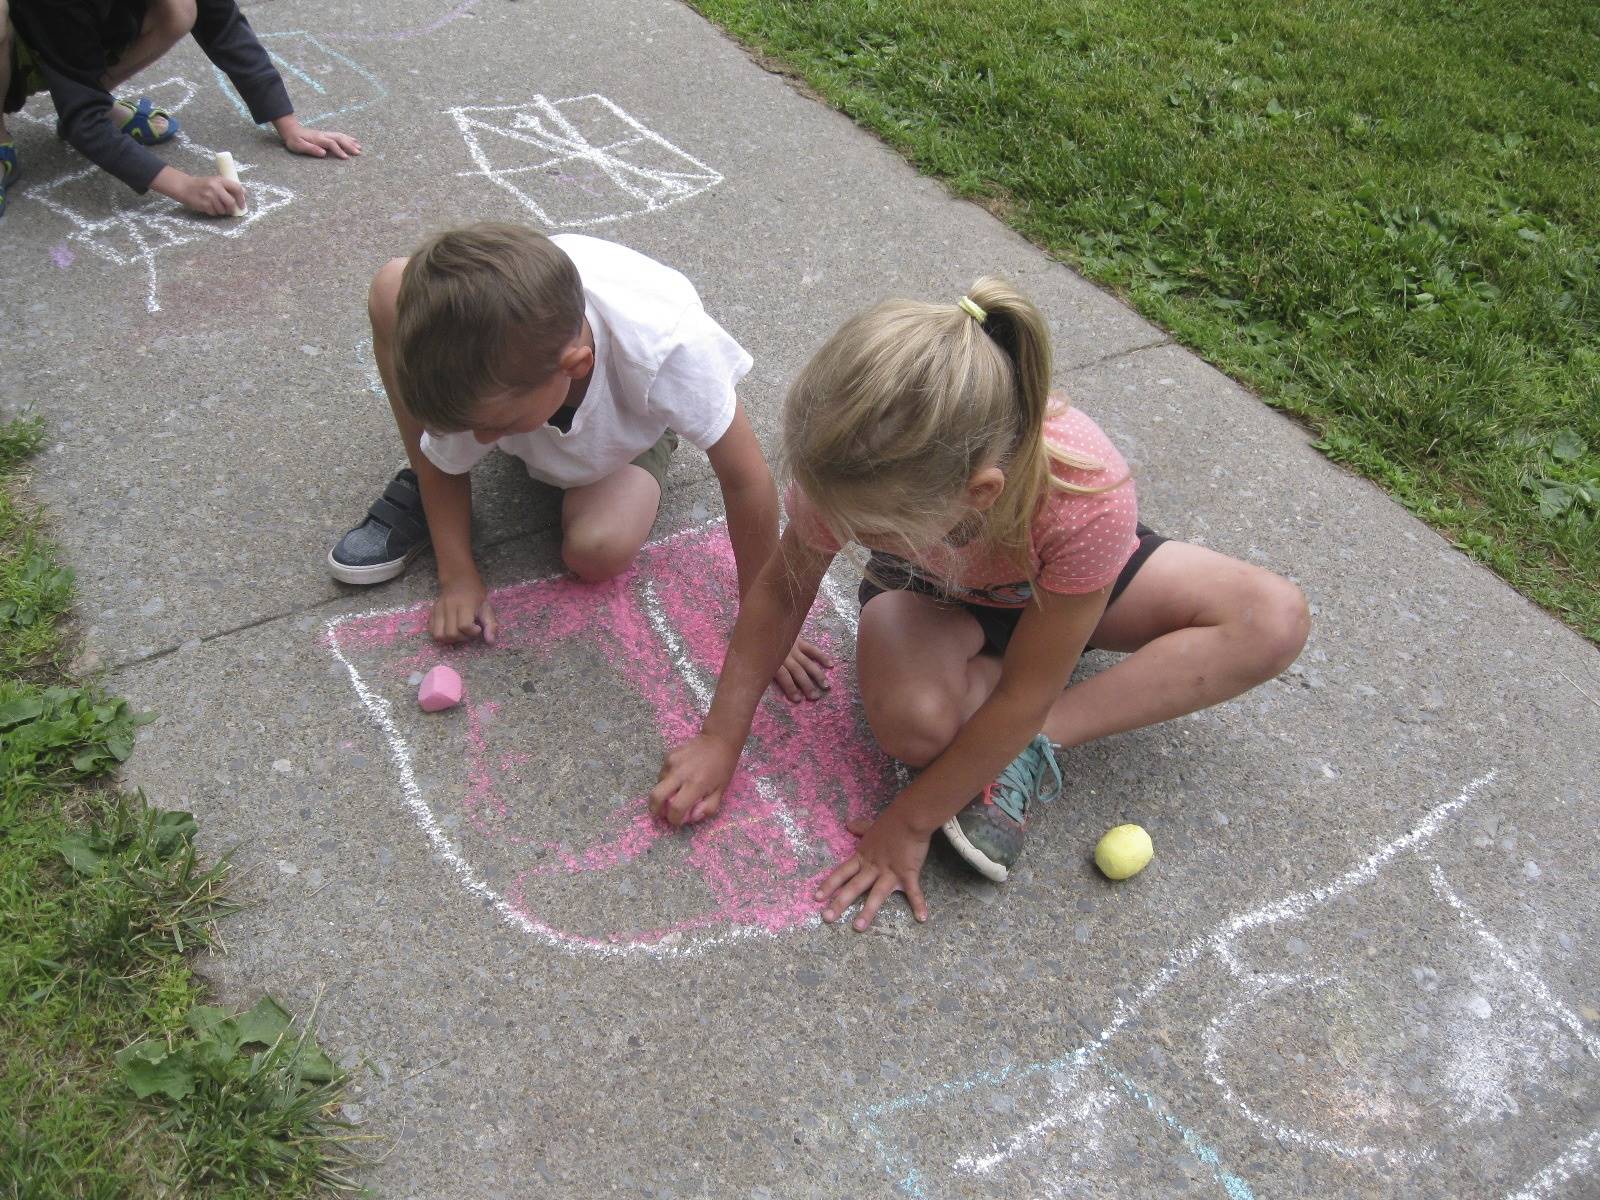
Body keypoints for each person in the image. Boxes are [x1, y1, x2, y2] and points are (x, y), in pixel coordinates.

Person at [651, 277, 1310, 931]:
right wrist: (720, 737)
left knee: (1270, 621)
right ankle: (994, 726)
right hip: (931, 597)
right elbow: (780, 592)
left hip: (1059, 595)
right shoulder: (853, 465)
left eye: (868, 529)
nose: (847, 533)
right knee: (914, 726)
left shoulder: (1086, 495)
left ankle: (1032, 742)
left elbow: (1025, 693)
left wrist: (911, 819)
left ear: (980, 492)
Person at [331, 223, 832, 698]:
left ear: (575, 366)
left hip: (624, 424)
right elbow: (445, 454)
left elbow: (748, 481)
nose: (479, 440)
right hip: (525, 380)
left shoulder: (668, 350)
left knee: (599, 552)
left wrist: (764, 620)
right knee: (392, 286)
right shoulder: (499, 362)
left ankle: (554, 443)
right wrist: (456, 573)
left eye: (494, 424)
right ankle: (428, 477)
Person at [0, 0, 359, 219]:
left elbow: (224, 26)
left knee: (180, 9)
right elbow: (82, 125)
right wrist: (184, 187)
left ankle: (94, 97)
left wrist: (289, 125)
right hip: (20, 45)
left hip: (71, 38)